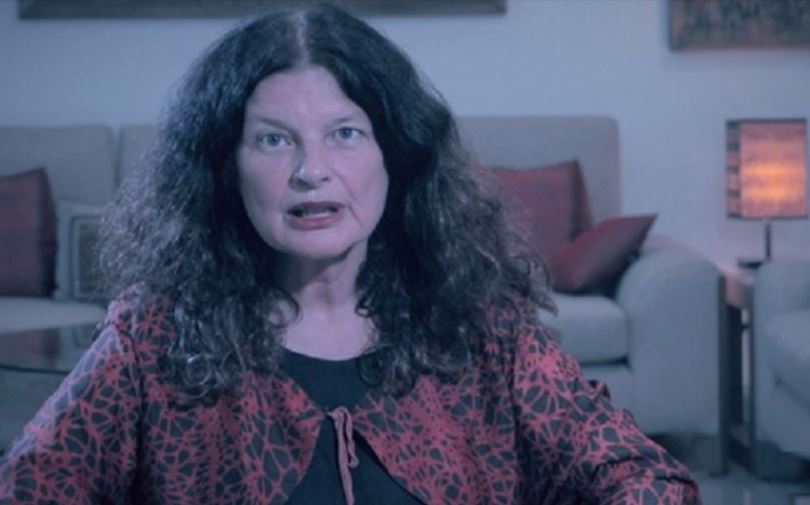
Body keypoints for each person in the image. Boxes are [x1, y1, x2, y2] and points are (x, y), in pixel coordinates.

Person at [0, 4, 700, 504]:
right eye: (274, 140)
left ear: (394, 155)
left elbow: (646, 478)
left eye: (345, 133)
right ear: (226, 168)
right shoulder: (152, 336)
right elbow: (30, 484)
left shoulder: (484, 329)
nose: (312, 171)